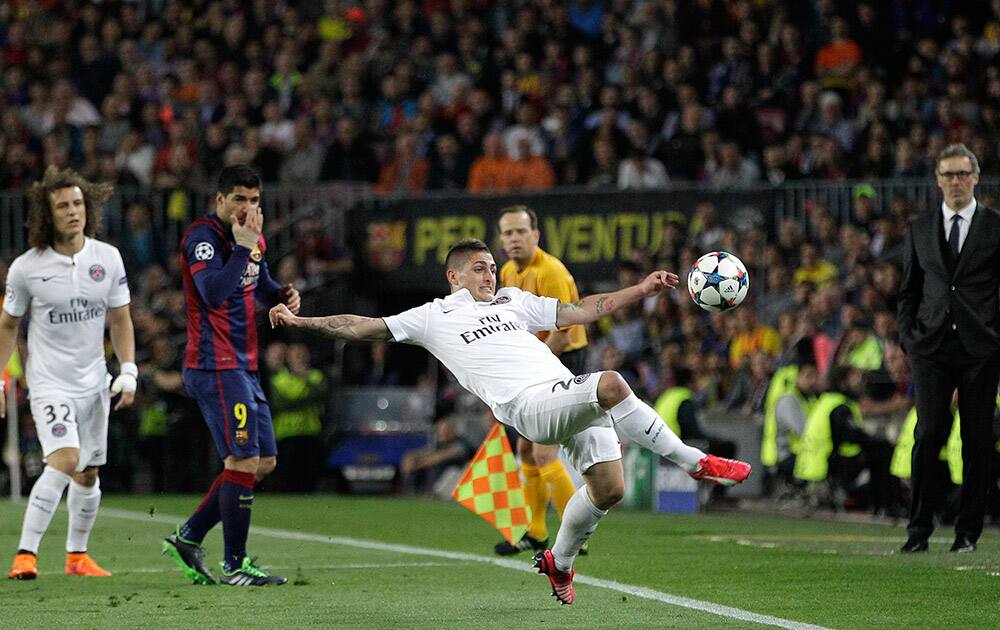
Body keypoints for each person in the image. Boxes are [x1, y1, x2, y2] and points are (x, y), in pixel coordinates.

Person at [269, 238, 750, 605]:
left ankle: (558, 564)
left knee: (609, 490)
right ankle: (695, 461)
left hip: (563, 392)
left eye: (493, 267)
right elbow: (359, 326)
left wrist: (642, 289)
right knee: (610, 383)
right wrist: (301, 322)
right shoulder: (433, 316)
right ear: (453, 275)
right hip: (529, 406)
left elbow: (583, 309)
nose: (490, 274)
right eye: (479, 268)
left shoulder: (514, 302)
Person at [161, 165, 301, 586]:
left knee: (264, 463)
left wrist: (281, 293)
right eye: (239, 199)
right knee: (242, 459)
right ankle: (235, 565)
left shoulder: (252, 237)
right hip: (213, 364)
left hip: (244, 364)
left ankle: (188, 537)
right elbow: (215, 292)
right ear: (219, 200)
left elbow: (256, 282)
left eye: (254, 200)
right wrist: (241, 248)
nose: (247, 208)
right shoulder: (202, 238)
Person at [2, 166, 136, 579]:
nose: (72, 212)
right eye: (63, 206)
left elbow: (120, 319)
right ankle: (26, 554)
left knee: (89, 470)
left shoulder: (107, 258)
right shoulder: (27, 268)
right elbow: (8, 324)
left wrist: (128, 369)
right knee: (65, 458)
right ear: (48, 214)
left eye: (78, 203)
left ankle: (77, 557)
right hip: (49, 383)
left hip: (94, 381)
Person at [897, 143, 1000, 554]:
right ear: (938, 180)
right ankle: (918, 530)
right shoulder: (919, 229)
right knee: (928, 434)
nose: (956, 181)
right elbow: (908, 291)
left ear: (975, 177)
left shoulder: (995, 226)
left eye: (963, 173)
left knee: (977, 441)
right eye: (948, 175)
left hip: (980, 348)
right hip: (931, 346)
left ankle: (967, 534)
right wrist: (909, 337)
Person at [494, 205, 588, 557]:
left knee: (543, 449)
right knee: (525, 450)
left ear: (536, 235)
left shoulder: (551, 272)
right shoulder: (506, 271)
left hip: (561, 360)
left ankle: (576, 533)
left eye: (521, 231)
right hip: (533, 364)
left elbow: (565, 333)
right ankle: (535, 531)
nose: (514, 238)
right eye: (508, 232)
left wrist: (529, 366)